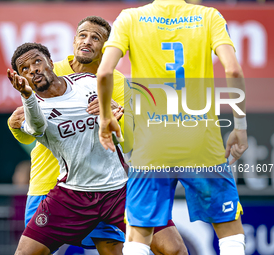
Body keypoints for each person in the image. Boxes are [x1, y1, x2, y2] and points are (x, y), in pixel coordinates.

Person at [8, 16, 186, 255]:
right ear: (73, 41)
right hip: (52, 185)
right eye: (83, 35)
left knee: (114, 249)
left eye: (95, 38)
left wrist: (116, 117)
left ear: (108, 48)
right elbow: (31, 133)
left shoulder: (112, 82)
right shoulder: (44, 72)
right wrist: (13, 125)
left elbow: (127, 140)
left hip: (109, 185)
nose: (87, 42)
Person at [96, 1, 248, 255]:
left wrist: (104, 117)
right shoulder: (208, 16)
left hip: (151, 147)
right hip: (201, 143)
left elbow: (104, 73)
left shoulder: (130, 17)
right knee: (229, 230)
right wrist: (240, 126)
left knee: (138, 236)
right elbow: (233, 69)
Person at [8, 42, 127, 255]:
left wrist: (113, 108)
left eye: (37, 61)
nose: (33, 69)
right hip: (69, 194)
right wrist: (27, 96)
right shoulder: (32, 111)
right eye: (24, 69)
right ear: (21, 79)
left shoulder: (90, 82)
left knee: (169, 248)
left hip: (116, 189)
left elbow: (130, 120)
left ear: (51, 63)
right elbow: (35, 128)